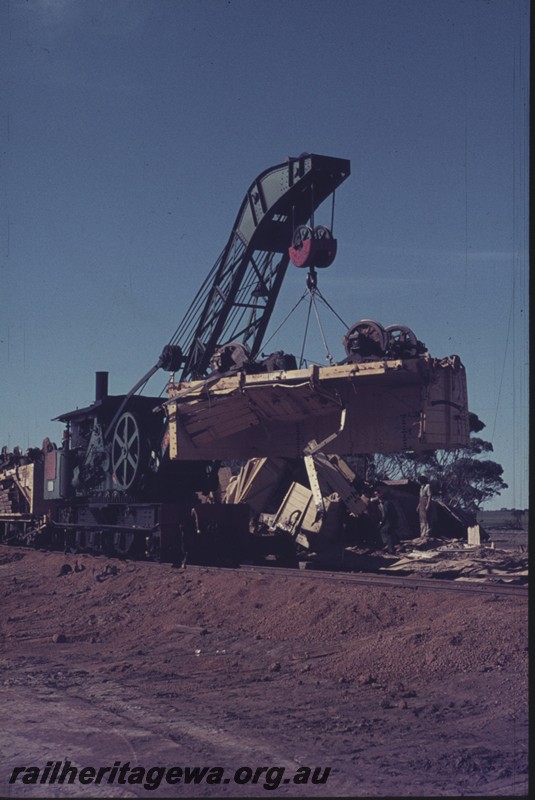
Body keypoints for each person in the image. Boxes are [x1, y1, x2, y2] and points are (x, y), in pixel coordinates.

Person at [373, 488, 400, 554]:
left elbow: (386, 514)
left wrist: (381, 522)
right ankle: (392, 547)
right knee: (389, 534)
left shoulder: (386, 503)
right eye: (375, 495)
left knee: (388, 534)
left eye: (377, 494)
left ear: (380, 494)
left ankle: (391, 550)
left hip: (389, 521)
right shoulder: (384, 503)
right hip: (390, 521)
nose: (376, 496)